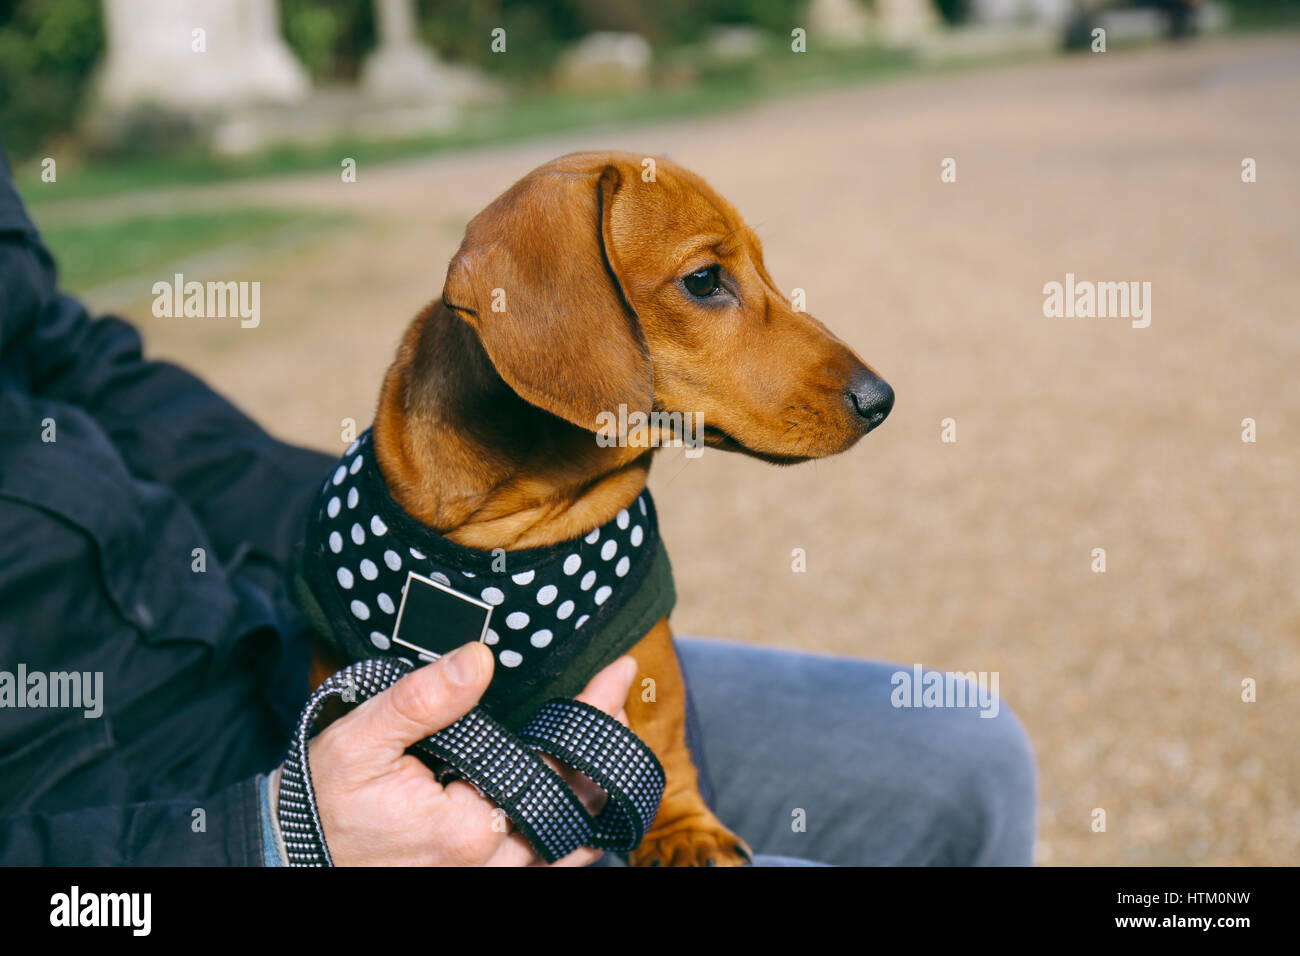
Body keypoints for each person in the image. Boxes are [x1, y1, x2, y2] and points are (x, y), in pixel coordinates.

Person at [0, 147, 1036, 866]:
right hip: (131, 822)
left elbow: (57, 354)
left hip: (252, 630)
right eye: (708, 283)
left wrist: (386, 523)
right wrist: (263, 840)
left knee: (967, 756)